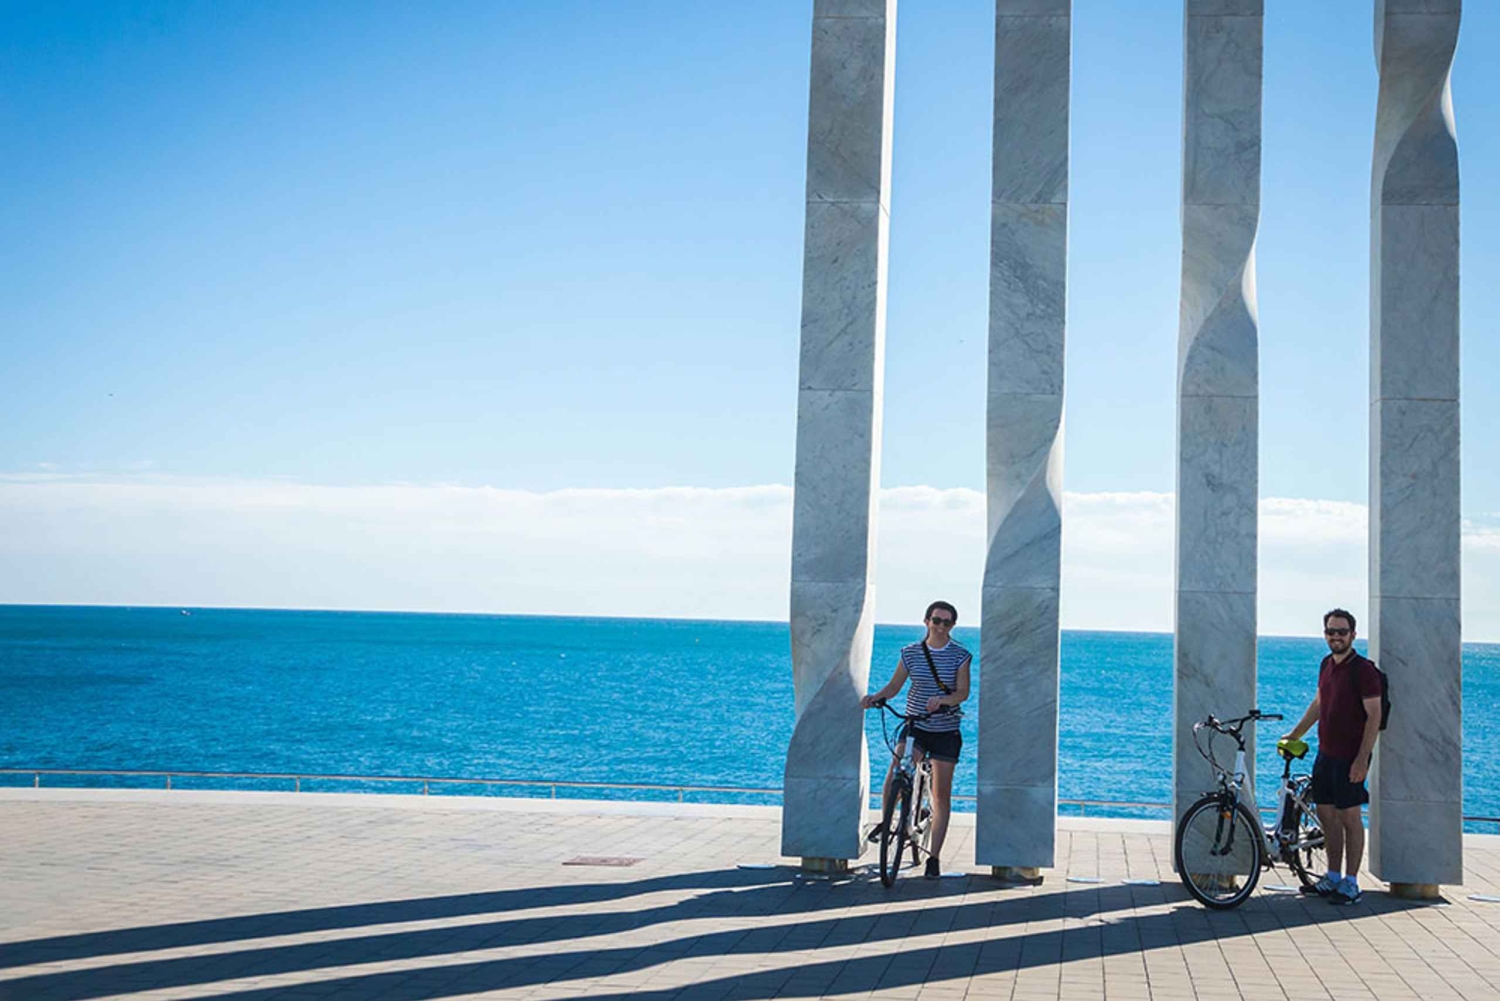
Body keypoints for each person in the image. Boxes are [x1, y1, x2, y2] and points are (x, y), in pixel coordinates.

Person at [860, 600, 971, 879]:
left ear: (953, 626)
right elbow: (895, 685)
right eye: (936, 620)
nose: (941, 627)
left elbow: (962, 693)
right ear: (926, 621)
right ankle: (887, 823)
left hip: (945, 729)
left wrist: (943, 700)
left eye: (947, 622)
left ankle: (934, 856)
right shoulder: (910, 653)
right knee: (897, 769)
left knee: (940, 795)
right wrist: (876, 699)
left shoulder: (961, 655)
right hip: (915, 726)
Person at [1281, 608, 1383, 905]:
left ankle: (1351, 883)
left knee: (1350, 817)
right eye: (1330, 631)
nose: (1335, 636)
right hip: (1326, 754)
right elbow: (1319, 702)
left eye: (1341, 631)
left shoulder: (1364, 671)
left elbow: (1374, 716)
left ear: (1353, 634)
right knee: (1327, 816)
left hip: (1352, 756)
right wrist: (1294, 735)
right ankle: (1332, 877)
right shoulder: (1326, 664)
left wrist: (1362, 759)